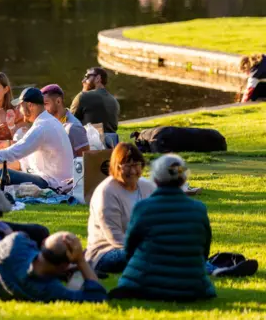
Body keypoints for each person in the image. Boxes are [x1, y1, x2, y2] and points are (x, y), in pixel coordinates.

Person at [110, 154, 216, 301]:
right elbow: (204, 249)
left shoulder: (143, 208)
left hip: (147, 284)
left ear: (156, 179)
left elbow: (129, 248)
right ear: (184, 178)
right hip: (193, 286)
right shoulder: (199, 209)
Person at [0, 88, 73, 191]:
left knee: (1, 175)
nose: (19, 111)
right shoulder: (48, 121)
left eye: (20, 106)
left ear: (30, 105)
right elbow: (22, 150)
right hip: (58, 179)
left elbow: (12, 153)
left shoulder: (41, 127)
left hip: (53, 183)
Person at [85, 143, 156, 273]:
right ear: (116, 167)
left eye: (136, 165)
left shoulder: (148, 187)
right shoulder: (106, 192)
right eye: (127, 166)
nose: (133, 171)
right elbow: (115, 237)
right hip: (107, 251)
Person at [70, 67, 120, 147]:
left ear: (98, 78)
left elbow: (69, 124)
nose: (83, 81)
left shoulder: (83, 96)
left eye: (87, 77)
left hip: (91, 149)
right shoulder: (114, 101)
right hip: (111, 148)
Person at [42, 84, 89, 158]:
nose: (43, 109)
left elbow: (85, 161)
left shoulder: (73, 128)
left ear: (58, 101)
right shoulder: (50, 123)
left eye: (46, 104)